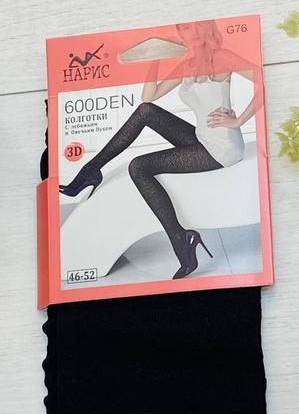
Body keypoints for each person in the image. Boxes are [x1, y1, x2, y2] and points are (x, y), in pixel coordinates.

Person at [59, 20, 260, 279]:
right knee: (146, 112)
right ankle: (91, 171)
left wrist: (239, 121)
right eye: (183, 29)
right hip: (201, 139)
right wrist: (156, 58)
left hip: (222, 148)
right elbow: (148, 97)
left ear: (206, 28)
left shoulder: (222, 57)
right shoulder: (187, 65)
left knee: (139, 166)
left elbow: (262, 80)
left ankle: (180, 238)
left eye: (193, 27)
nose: (189, 33)